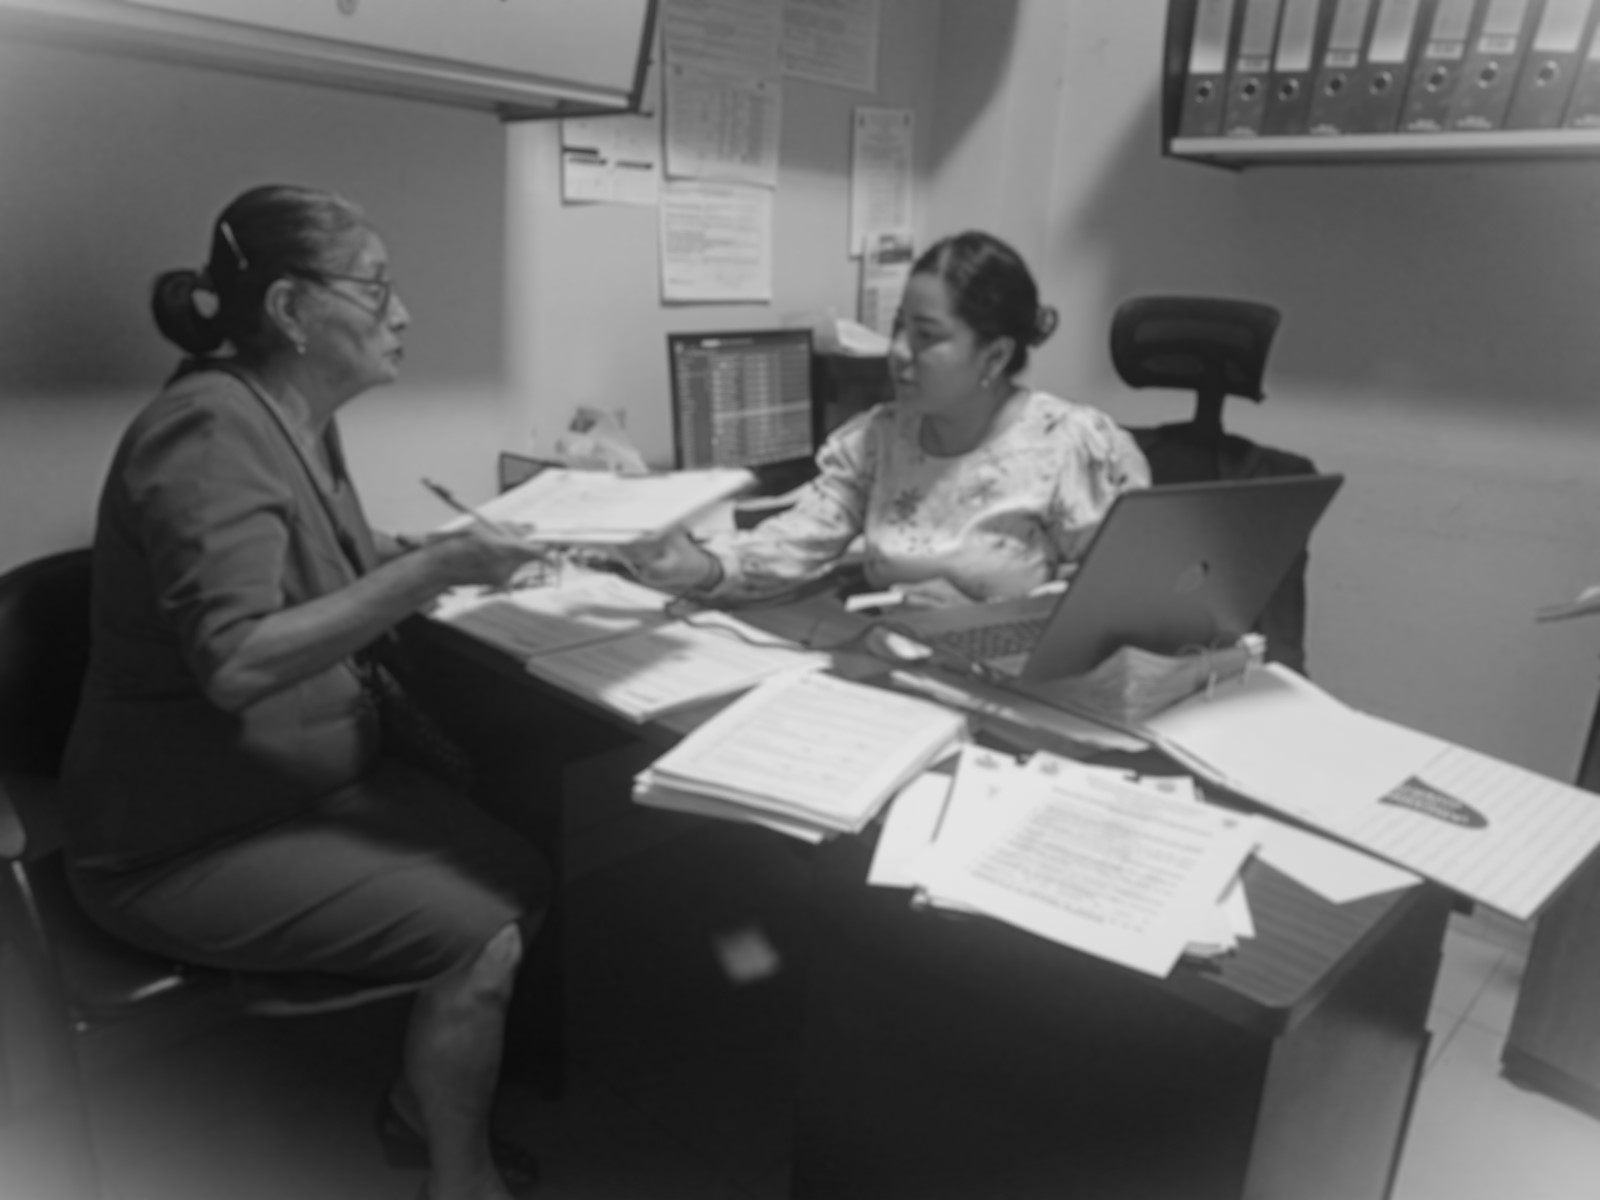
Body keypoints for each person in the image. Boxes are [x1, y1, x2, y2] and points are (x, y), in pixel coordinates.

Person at [61, 184, 549, 1200]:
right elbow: (237, 661)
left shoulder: (291, 416)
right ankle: (459, 1177)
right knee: (485, 925)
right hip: (183, 837)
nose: (402, 313)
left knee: (516, 864)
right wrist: (434, 569)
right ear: (289, 309)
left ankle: (418, 1104)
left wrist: (447, 552)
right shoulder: (208, 429)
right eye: (376, 289)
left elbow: (323, 563)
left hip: (290, 787)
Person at [622, 230, 1150, 605]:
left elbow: (1118, 601)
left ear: (994, 355)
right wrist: (702, 566)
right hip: (898, 668)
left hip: (1021, 687)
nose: (898, 351)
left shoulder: (1071, 446)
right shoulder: (879, 439)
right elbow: (799, 539)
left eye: (927, 336)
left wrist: (981, 619)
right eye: (899, 328)